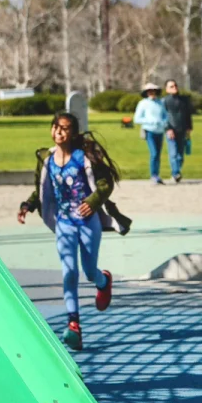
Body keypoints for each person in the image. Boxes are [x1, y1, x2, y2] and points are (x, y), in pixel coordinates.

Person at [17, 113, 117, 351]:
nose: (59, 131)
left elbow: (106, 184)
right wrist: (28, 205)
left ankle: (103, 281)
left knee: (89, 272)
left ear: (73, 133)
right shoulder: (48, 160)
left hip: (88, 222)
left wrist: (93, 201)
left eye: (65, 128)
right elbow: (42, 189)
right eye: (55, 127)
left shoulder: (84, 158)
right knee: (69, 272)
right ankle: (74, 325)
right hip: (64, 224)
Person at [133, 83, 169, 184]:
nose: (151, 93)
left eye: (153, 91)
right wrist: (150, 121)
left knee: (158, 154)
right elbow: (137, 119)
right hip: (149, 131)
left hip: (159, 131)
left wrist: (163, 122)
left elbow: (165, 115)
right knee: (154, 153)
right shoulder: (143, 103)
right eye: (149, 91)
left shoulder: (160, 103)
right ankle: (153, 175)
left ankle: (157, 174)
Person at [163, 78, 194, 183]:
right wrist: (168, 129)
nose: (174, 88)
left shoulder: (184, 100)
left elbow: (188, 114)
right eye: (171, 86)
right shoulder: (165, 101)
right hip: (171, 130)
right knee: (173, 153)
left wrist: (189, 127)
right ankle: (175, 173)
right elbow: (164, 116)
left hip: (182, 129)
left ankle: (177, 172)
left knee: (180, 154)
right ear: (167, 89)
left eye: (175, 85)